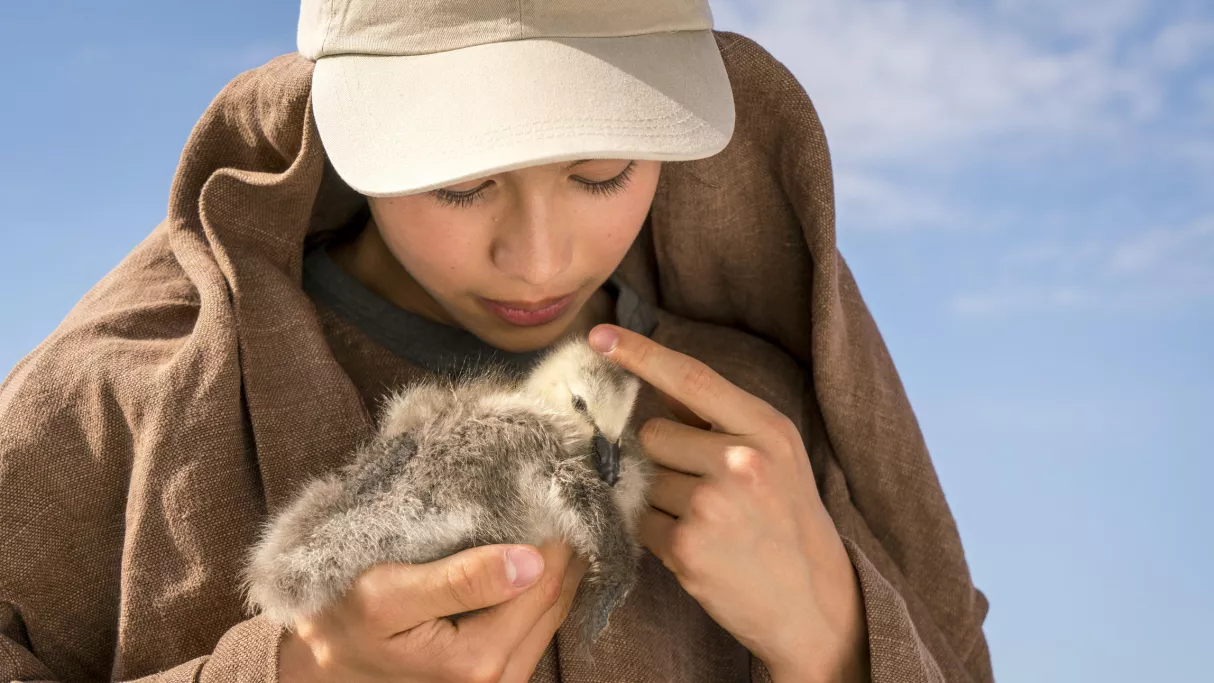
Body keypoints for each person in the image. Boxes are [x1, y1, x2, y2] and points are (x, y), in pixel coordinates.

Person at [0, 1, 994, 682]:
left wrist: (834, 642)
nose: (536, 257)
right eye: (460, 182)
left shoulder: (760, 414)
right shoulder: (133, 395)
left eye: (601, 171)